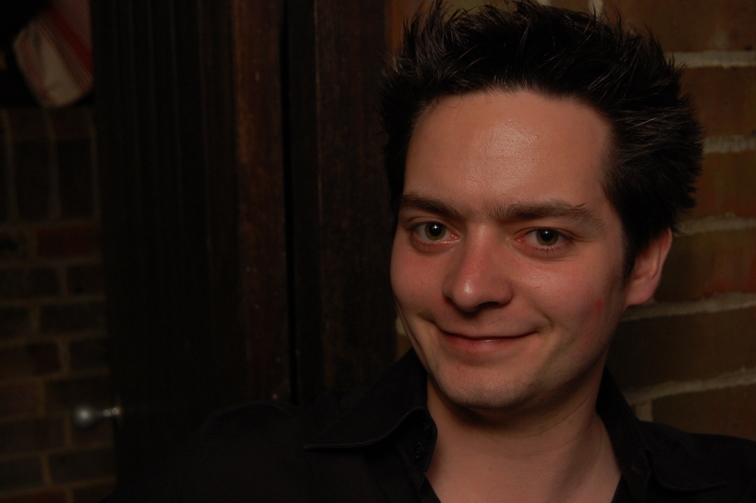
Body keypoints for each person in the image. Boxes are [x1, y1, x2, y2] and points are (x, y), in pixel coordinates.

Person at [103, 1, 756, 501]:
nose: (468, 288)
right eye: (434, 229)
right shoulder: (241, 476)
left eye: (543, 235)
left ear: (643, 263)